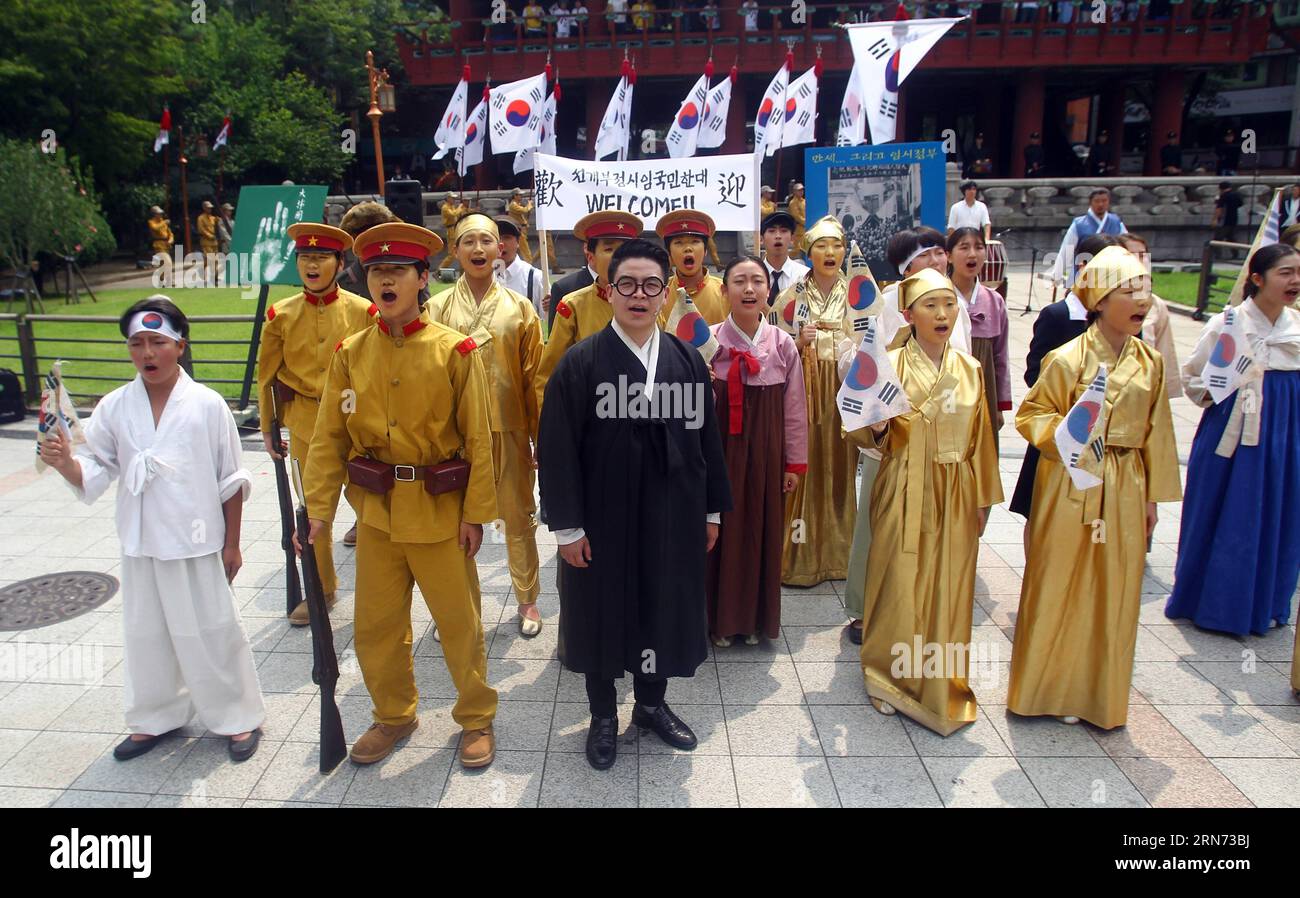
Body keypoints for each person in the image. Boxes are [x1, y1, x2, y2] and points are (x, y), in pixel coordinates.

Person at [303, 221, 499, 769]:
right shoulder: (350, 352)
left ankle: (476, 716)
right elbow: (328, 437)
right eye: (375, 271)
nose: (384, 280)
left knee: (458, 623)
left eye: (396, 271)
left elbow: (480, 441)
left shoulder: (456, 351)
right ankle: (393, 714)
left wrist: (477, 515)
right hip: (377, 513)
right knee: (376, 626)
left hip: (440, 511)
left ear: (421, 279)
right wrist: (318, 510)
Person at [38, 296, 264, 762]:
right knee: (147, 634)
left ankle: (237, 716)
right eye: (137, 343)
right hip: (142, 541)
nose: (147, 353)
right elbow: (97, 469)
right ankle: (155, 716)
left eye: (157, 342)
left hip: (197, 538)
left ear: (179, 345)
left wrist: (233, 544)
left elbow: (231, 479)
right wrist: (64, 464)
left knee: (212, 629)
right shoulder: (116, 406)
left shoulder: (206, 405)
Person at [537, 238, 732, 770]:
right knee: (603, 610)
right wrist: (568, 528)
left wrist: (710, 511)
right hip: (603, 517)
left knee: (661, 606)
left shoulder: (686, 360)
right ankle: (603, 715)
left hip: (672, 513)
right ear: (607, 290)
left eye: (651, 285)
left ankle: (650, 705)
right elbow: (556, 451)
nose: (639, 296)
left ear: (667, 292)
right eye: (627, 285)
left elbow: (705, 440)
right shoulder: (580, 364)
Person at [1009, 246, 1182, 729]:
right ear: (1100, 300)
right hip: (1071, 479)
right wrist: (1066, 438)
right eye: (1127, 290)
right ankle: (1041, 689)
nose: (1140, 299)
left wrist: (1151, 499)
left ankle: (1096, 694)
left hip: (1125, 481)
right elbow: (1031, 415)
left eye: (1143, 289)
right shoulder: (1067, 358)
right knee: (1057, 578)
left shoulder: (1149, 362)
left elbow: (1158, 430)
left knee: (1115, 586)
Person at [848, 268, 1002, 735]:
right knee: (898, 575)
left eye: (949, 304)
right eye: (930, 305)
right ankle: (886, 674)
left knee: (948, 583)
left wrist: (982, 500)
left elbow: (982, 440)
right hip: (903, 481)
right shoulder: (886, 361)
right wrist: (874, 426)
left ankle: (939, 674)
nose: (942, 314)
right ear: (909, 313)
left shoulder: (970, 369)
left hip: (956, 489)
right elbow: (857, 420)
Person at [1164, 243, 1300, 635]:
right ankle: (1210, 603)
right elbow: (1193, 379)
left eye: (1298, 272)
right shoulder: (1229, 323)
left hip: (1283, 436)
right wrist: (1222, 385)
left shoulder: (1295, 327)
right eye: (1285, 272)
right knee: (1225, 512)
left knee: (1277, 513)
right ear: (1257, 279)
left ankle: (1267, 601)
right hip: (1230, 434)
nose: (1294, 280)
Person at [431, 213, 545, 637]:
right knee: (455, 520)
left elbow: (534, 379)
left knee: (517, 517)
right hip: (456, 435)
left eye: (486, 241)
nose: (478, 250)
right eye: (468, 242)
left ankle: (528, 600)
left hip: (509, 428)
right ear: (455, 250)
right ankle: (459, 607)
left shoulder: (520, 308)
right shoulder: (437, 307)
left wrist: (539, 439)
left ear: (501, 249)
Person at [258, 222, 374, 624]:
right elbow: (266, 376)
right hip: (306, 423)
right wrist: (269, 427)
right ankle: (323, 588)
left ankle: (385, 588)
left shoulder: (364, 312)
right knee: (312, 512)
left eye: (321, 257)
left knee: (371, 506)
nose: (312, 264)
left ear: (339, 263)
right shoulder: (281, 315)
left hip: (355, 421)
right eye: (305, 257)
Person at [706, 257, 808, 646]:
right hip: (721, 452)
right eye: (739, 281)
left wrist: (793, 462)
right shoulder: (710, 341)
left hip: (766, 454)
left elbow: (795, 407)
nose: (749, 289)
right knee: (720, 530)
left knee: (760, 531)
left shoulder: (782, 343)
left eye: (757, 282)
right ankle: (719, 620)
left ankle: (754, 622)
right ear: (723, 290)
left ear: (769, 291)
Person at [772, 216, 857, 587]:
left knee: (841, 468)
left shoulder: (858, 293)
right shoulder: (791, 297)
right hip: (803, 391)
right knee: (804, 468)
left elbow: (876, 340)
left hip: (843, 392)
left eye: (836, 245)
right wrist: (798, 342)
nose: (830, 252)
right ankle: (799, 558)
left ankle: (842, 557)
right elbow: (773, 348)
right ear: (808, 252)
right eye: (821, 245)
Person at [535, 211, 643, 409]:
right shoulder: (573, 306)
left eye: (627, 250)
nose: (619, 257)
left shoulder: (651, 302)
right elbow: (549, 375)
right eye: (609, 249)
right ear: (591, 257)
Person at [947, 227, 1011, 448]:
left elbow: (1000, 357)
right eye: (964, 247)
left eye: (979, 247)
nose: (972, 254)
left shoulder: (994, 301)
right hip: (947, 388)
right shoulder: (938, 295)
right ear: (949, 255)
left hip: (984, 386)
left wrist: (999, 405)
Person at [1118, 233, 1182, 400]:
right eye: (1132, 255)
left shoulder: (1155, 305)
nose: (1140, 260)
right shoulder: (1104, 301)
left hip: (1143, 389)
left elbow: (1164, 349)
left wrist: (1164, 392)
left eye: (1143, 255)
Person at [656, 209, 728, 326]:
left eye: (695, 241)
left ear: (705, 251)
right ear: (669, 252)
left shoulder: (725, 292)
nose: (688, 248)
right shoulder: (659, 294)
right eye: (679, 243)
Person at [1048, 188, 1127, 289]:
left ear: (1108, 202)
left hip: (1110, 271)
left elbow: (1126, 245)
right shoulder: (1079, 224)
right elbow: (1067, 249)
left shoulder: (1116, 221)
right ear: (1091, 202)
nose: (1101, 204)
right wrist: (1057, 274)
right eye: (1097, 201)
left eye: (1104, 201)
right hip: (1084, 270)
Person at [337, 201, 401, 304]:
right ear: (354, 241)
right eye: (366, 240)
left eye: (379, 237)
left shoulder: (407, 273)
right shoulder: (341, 282)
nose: (374, 246)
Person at [494, 216, 545, 317]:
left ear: (518, 242)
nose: (501, 243)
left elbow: (548, 320)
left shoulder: (535, 277)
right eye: (496, 238)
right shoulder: (481, 277)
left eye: (507, 237)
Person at [760, 210, 809, 312]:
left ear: (792, 238)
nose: (778, 236)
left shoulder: (805, 276)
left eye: (784, 231)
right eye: (772, 231)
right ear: (761, 239)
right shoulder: (752, 275)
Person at [436, 192, 469, 270]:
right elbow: (453, 214)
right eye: (452, 198)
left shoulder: (452, 206)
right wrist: (460, 207)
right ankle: (439, 270)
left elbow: (459, 214)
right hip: (451, 231)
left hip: (456, 229)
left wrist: (465, 208)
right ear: (448, 198)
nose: (454, 199)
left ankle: (462, 272)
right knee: (452, 254)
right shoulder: (445, 207)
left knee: (461, 251)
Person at [507, 188, 536, 264]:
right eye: (520, 195)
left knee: (520, 249)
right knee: (525, 249)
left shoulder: (517, 204)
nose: (521, 196)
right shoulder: (513, 205)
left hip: (522, 229)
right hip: (519, 230)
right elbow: (524, 210)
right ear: (515, 196)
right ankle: (529, 264)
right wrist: (529, 204)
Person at [1213, 181, 1243, 246]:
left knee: (1217, 239)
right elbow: (1240, 204)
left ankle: (1217, 255)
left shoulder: (1223, 196)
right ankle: (1236, 254)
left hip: (1225, 221)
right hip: (1234, 220)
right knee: (1231, 238)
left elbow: (1219, 208)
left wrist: (1215, 219)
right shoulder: (1236, 195)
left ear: (1221, 188)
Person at [788, 182, 807, 258]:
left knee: (804, 248)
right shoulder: (793, 203)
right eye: (799, 190)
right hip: (798, 229)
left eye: (802, 190)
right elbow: (796, 216)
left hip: (805, 229)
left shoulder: (804, 201)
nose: (801, 192)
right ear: (794, 191)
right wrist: (805, 222)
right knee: (797, 249)